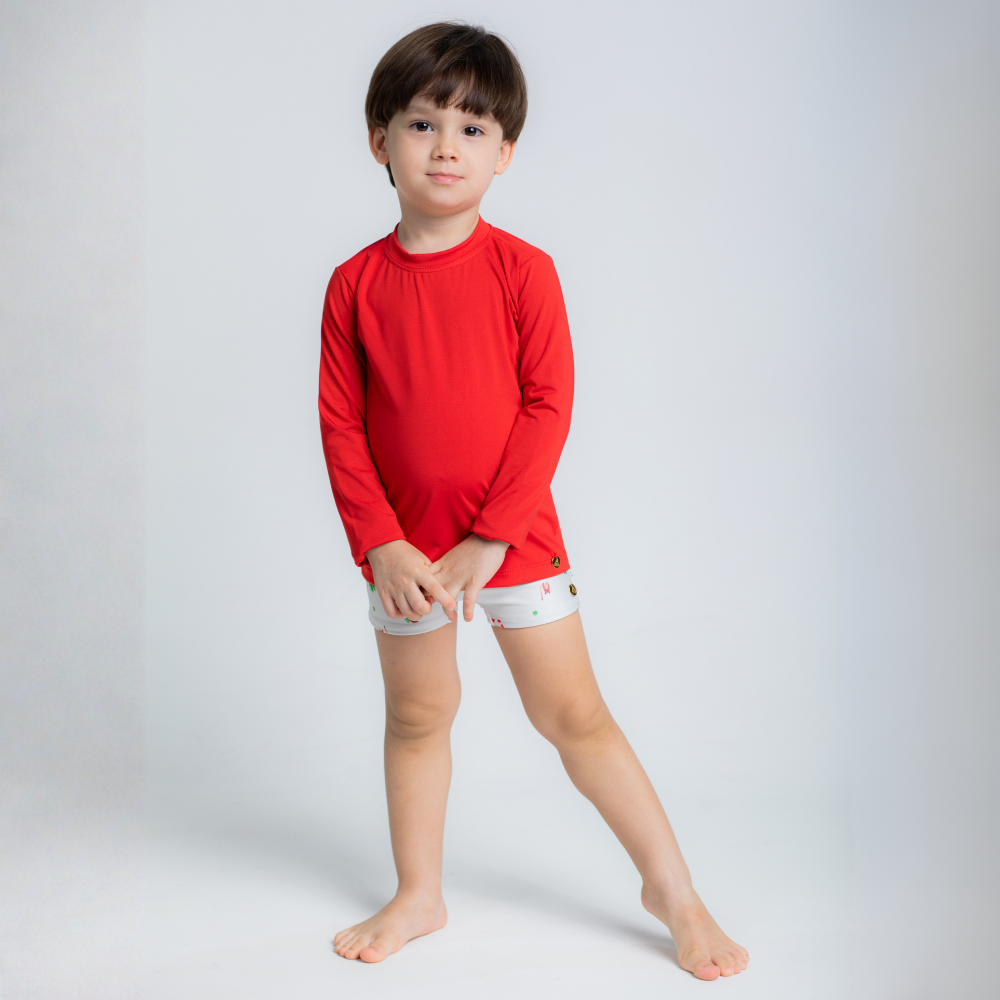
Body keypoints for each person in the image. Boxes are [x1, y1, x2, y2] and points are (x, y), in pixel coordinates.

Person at [318, 21, 748, 981]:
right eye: (422, 124)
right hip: (405, 556)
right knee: (417, 718)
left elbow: (548, 407)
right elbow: (340, 425)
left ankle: (674, 893)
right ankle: (419, 892)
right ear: (379, 138)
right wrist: (381, 544)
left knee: (575, 716)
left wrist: (489, 538)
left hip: (513, 544)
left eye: (471, 130)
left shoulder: (523, 271)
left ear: (504, 152)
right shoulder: (354, 286)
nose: (445, 147)